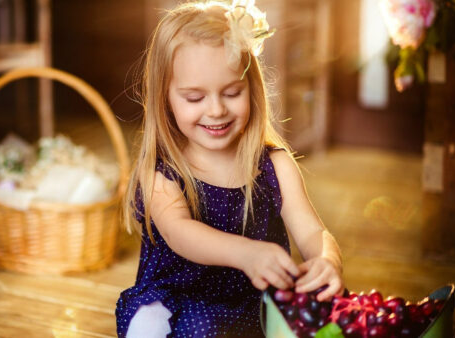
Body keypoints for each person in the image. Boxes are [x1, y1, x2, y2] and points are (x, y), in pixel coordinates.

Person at [115, 1, 343, 337]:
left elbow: (312, 232)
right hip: (179, 300)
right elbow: (180, 233)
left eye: (232, 92)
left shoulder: (275, 165)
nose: (217, 109)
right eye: (194, 98)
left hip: (257, 303)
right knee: (157, 325)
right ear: (165, 99)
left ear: (252, 88)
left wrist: (328, 261)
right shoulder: (163, 174)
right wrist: (246, 254)